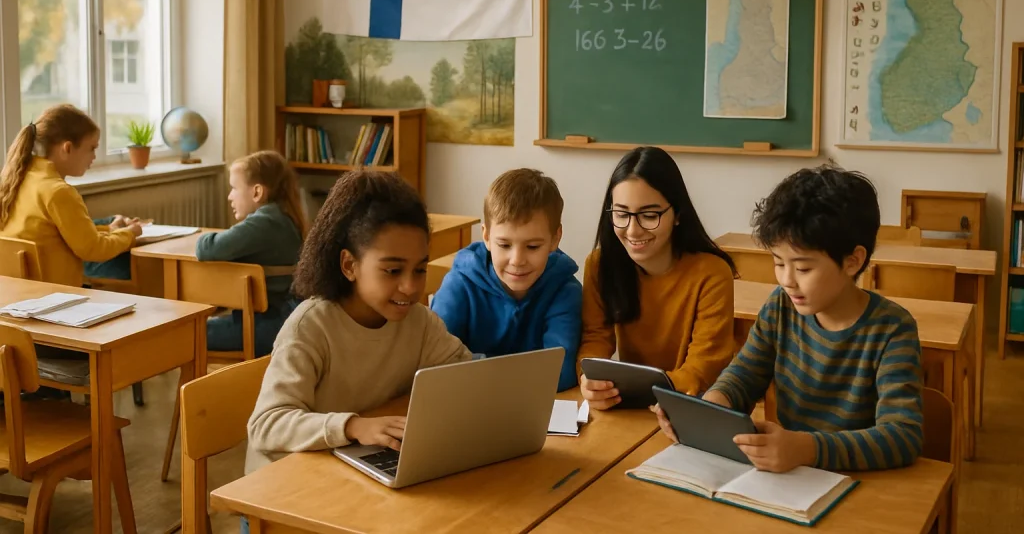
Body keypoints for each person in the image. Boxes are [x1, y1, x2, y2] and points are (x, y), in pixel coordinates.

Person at [656, 163, 924, 472]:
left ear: (853, 261)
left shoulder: (892, 330)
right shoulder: (781, 307)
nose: (787, 280)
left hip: (858, 479)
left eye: (803, 268)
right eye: (778, 263)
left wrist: (806, 449)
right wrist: (711, 407)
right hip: (789, 474)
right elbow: (744, 374)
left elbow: (902, 436)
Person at [245, 170, 472, 475]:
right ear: (349, 265)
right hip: (282, 484)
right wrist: (352, 426)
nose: (410, 287)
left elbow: (463, 375)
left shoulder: (418, 321)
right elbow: (266, 425)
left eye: (419, 270)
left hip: (352, 466)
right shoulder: (311, 327)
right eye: (393, 271)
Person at [578, 146, 736, 409]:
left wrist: (642, 391)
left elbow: (702, 369)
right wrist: (590, 379)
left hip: (692, 405)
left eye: (650, 216)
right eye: (621, 214)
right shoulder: (599, 265)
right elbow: (595, 339)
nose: (633, 230)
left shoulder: (712, 273)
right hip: (631, 404)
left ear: (678, 214)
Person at [431, 168, 582, 391]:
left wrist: (475, 365)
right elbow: (436, 363)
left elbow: (559, 371)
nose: (517, 260)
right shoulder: (459, 284)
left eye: (533, 246)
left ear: (555, 238)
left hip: (538, 406)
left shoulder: (565, 290)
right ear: (486, 236)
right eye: (504, 245)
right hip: (466, 400)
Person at [0, 104, 142, 287]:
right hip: (58, 297)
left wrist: (109, 229)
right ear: (67, 148)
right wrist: (130, 234)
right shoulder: (58, 192)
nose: (94, 157)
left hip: (19, 294)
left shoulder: (17, 180)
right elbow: (94, 250)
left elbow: (57, 235)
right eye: (92, 148)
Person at [196, 151, 307, 357]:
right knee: (204, 325)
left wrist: (202, 237)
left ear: (257, 192)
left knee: (189, 331)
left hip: (269, 327)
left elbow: (207, 248)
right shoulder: (282, 215)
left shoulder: (266, 221)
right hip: (281, 321)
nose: (229, 196)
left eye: (234, 188)